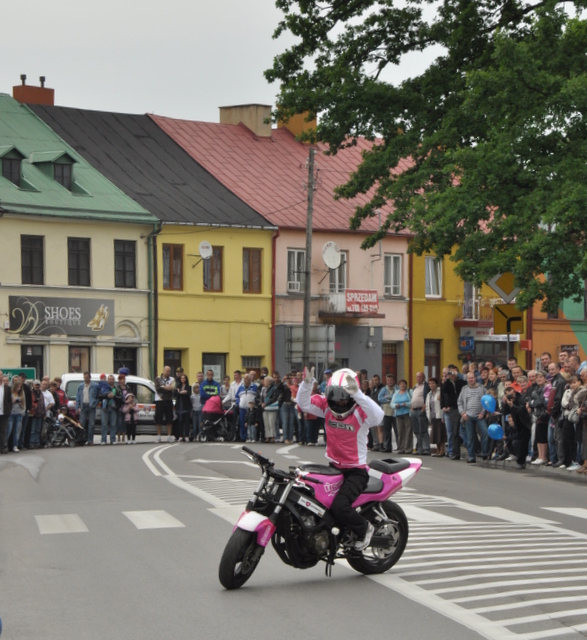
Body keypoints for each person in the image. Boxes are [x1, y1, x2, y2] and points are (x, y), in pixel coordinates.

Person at [297, 367, 384, 551]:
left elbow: (379, 416)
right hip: (333, 468)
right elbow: (303, 404)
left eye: (344, 397)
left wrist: (358, 394)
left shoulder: (361, 411)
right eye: (334, 396)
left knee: (340, 506)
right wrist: (306, 384)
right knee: (319, 504)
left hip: (356, 472)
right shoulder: (326, 407)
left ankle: (365, 528)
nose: (339, 401)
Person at [457, 372, 489, 463]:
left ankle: (484, 452)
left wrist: (483, 412)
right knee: (470, 436)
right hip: (468, 416)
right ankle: (471, 456)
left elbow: (486, 401)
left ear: (475, 378)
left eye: (472, 378)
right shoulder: (464, 389)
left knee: (485, 433)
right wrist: (462, 413)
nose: (471, 379)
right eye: (469, 378)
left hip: (480, 416)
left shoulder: (482, 388)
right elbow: (459, 402)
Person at [75, 372, 99, 445]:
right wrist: (77, 407)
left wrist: (95, 403)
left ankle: (90, 440)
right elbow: (78, 397)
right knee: (81, 423)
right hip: (83, 406)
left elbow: (98, 396)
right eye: (84, 377)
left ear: (90, 377)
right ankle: (81, 439)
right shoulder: (81, 386)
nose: (85, 379)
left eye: (87, 377)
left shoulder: (94, 386)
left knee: (91, 424)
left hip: (91, 406)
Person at [410, 372, 431, 455]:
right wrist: (412, 407)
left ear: (424, 378)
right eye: (417, 377)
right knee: (416, 431)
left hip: (421, 410)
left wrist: (424, 407)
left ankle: (426, 448)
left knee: (423, 430)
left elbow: (428, 397)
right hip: (414, 411)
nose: (418, 378)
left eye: (420, 377)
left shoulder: (426, 386)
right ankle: (420, 448)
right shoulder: (415, 387)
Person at [154, 366, 175, 443]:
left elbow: (172, 388)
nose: (168, 373)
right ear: (163, 370)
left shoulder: (172, 379)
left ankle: (169, 436)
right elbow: (158, 389)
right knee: (158, 419)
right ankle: (158, 436)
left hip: (168, 400)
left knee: (169, 419)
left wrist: (163, 387)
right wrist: (167, 388)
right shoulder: (158, 378)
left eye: (169, 371)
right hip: (159, 400)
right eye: (167, 371)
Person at [391, 380, 413, 454]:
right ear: (399, 385)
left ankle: (408, 449)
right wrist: (395, 405)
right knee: (400, 432)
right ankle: (401, 448)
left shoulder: (409, 392)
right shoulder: (396, 393)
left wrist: (406, 404)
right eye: (401, 384)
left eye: (404, 384)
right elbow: (392, 403)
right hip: (398, 414)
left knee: (408, 431)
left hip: (407, 413)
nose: (402, 385)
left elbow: (413, 401)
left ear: (406, 385)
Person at [426, 377, 446, 457]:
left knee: (441, 433)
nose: (431, 385)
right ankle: (438, 450)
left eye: (433, 383)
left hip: (440, 415)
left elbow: (444, 402)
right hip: (433, 416)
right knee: (435, 434)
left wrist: (441, 399)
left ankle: (442, 450)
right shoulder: (429, 394)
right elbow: (427, 405)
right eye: (430, 383)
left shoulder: (440, 391)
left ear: (436, 384)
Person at [378, 374, 398, 453]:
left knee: (397, 431)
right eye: (388, 380)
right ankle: (388, 447)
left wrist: (388, 397)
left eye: (391, 380)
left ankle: (399, 446)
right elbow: (380, 398)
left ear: (394, 381)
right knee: (387, 432)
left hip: (395, 413)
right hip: (386, 413)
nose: (390, 382)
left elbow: (397, 398)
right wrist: (389, 399)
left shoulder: (397, 389)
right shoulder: (383, 389)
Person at [235, 374, 258, 442]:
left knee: (252, 424)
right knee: (243, 423)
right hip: (242, 408)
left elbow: (257, 396)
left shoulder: (254, 387)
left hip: (251, 409)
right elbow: (236, 397)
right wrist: (239, 403)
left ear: (250, 379)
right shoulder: (240, 387)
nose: (245, 380)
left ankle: (252, 437)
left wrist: (255, 402)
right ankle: (243, 437)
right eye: (244, 378)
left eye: (247, 378)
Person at [6, 377, 24, 453]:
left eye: (20, 387)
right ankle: (5, 444)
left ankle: (15, 445)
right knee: (9, 429)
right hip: (11, 413)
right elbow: (9, 402)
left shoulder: (21, 394)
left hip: (19, 413)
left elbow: (23, 404)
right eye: (17, 387)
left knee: (17, 430)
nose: (19, 389)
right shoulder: (11, 393)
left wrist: (21, 404)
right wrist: (13, 401)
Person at [100, 374, 118, 445]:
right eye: (109, 379)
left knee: (113, 424)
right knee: (104, 424)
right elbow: (99, 395)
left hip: (114, 408)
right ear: (107, 380)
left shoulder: (116, 388)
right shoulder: (104, 386)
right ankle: (103, 440)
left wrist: (114, 396)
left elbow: (120, 397)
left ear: (114, 380)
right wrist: (107, 396)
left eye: (112, 379)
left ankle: (113, 439)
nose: (111, 380)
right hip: (105, 408)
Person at [174, 373, 192, 442]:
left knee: (187, 422)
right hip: (179, 406)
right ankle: (180, 436)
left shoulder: (188, 387)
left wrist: (180, 392)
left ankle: (186, 435)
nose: (183, 379)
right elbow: (175, 394)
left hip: (186, 407)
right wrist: (182, 392)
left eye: (184, 378)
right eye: (181, 378)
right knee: (180, 422)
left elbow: (188, 394)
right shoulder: (178, 386)